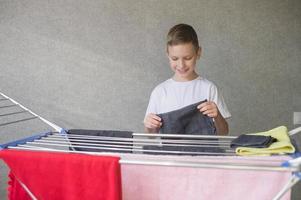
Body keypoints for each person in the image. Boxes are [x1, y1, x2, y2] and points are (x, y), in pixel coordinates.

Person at [144, 23, 231, 135]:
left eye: (187, 58)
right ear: (168, 55)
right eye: (175, 58)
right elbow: (150, 136)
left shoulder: (209, 88)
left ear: (198, 53)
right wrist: (149, 126)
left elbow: (224, 133)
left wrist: (218, 115)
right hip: (169, 152)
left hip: (203, 152)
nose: (181, 65)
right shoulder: (160, 91)